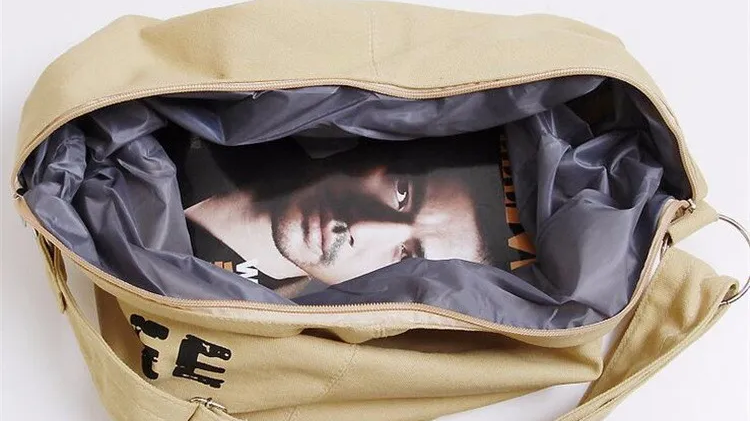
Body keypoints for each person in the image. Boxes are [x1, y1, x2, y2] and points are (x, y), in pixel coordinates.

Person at [157, 126, 531, 299]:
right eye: (403, 192)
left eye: (407, 256)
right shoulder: (222, 119)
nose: (363, 227)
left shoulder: (251, 318)